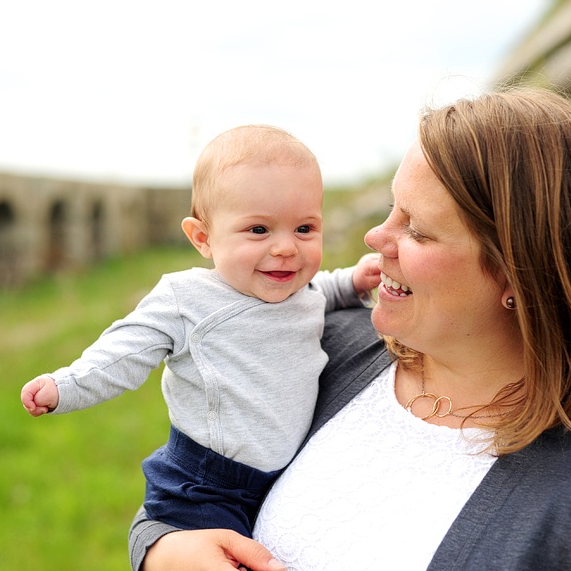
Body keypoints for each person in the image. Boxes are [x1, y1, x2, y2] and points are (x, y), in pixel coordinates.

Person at [130, 89, 571, 571]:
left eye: (418, 230)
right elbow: (192, 485)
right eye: (391, 210)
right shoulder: (328, 346)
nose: (376, 239)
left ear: (520, 272)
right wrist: (163, 550)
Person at [20, 124, 381, 539]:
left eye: (304, 229)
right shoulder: (188, 299)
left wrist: (354, 281)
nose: (286, 248)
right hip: (206, 486)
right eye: (259, 230)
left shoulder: (299, 290)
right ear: (203, 238)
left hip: (280, 479)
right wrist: (64, 385)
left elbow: (322, 291)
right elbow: (125, 349)